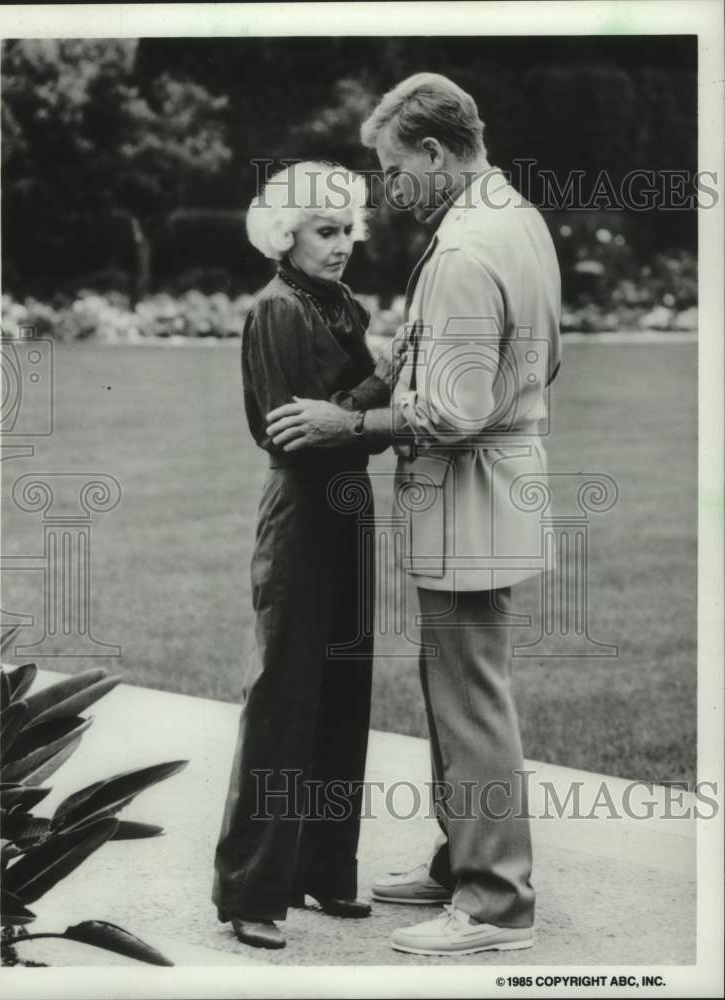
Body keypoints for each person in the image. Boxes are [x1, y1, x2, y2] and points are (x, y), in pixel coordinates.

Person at [266, 73, 562, 956]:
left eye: (395, 170)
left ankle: (495, 902)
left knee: (469, 700)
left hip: (471, 498)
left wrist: (348, 419)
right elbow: (537, 362)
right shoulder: (517, 214)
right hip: (502, 486)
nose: (388, 190)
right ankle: (460, 860)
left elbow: (454, 411)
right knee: (456, 692)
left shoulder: (468, 247)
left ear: (435, 154)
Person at [212, 161, 396, 950]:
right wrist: (376, 389)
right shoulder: (277, 309)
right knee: (286, 693)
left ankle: (325, 867)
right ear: (285, 234)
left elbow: (354, 418)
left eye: (349, 229)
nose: (343, 243)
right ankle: (250, 889)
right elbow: (291, 430)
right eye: (326, 230)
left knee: (345, 689)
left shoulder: (341, 303)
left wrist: (364, 403)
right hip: (301, 513)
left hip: (349, 508)